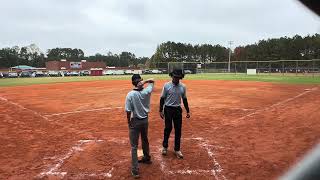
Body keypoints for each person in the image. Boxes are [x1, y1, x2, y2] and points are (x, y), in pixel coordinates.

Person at [125, 74, 154, 178]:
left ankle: (135, 170)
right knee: (145, 139)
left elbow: (128, 111)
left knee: (134, 146)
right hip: (145, 120)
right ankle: (147, 157)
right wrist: (145, 81)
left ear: (133, 83)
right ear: (140, 81)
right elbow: (152, 80)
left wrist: (129, 122)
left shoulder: (130, 95)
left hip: (135, 121)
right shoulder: (147, 91)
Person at [159, 69, 190, 159]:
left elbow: (184, 99)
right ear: (172, 76)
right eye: (175, 77)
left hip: (177, 110)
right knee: (168, 128)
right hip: (168, 109)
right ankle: (165, 147)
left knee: (178, 130)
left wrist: (187, 110)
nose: (176, 79)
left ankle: (177, 149)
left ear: (180, 77)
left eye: (178, 77)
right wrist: (160, 110)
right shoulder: (166, 85)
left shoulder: (183, 87)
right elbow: (162, 98)